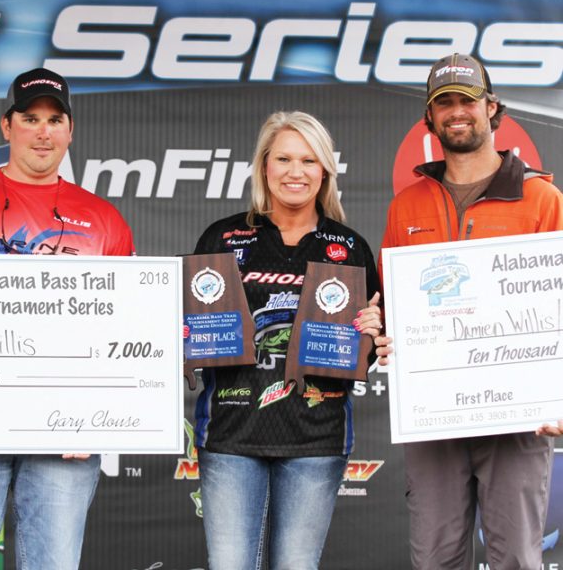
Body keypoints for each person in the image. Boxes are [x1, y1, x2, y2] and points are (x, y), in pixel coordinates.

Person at [376, 53, 563, 569]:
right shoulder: (406, 205)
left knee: (517, 559)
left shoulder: (543, 199)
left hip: (518, 416)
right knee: (434, 558)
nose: (457, 112)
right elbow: (390, 304)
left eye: (467, 101)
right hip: (434, 411)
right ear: (429, 118)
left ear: (491, 108)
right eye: (444, 104)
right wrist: (381, 330)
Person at [191, 111, 382, 570]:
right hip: (231, 433)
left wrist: (372, 335)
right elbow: (195, 330)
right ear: (264, 167)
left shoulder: (349, 247)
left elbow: (366, 354)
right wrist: (186, 332)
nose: (296, 172)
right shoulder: (223, 237)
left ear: (325, 171)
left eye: (308, 160)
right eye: (284, 159)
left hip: (315, 436)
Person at [0, 68, 135, 570]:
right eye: (30, 117)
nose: (43, 131)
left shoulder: (104, 218)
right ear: (6, 126)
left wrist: (99, 418)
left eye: (55, 119)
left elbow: (124, 328)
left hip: (66, 429)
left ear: (70, 131)